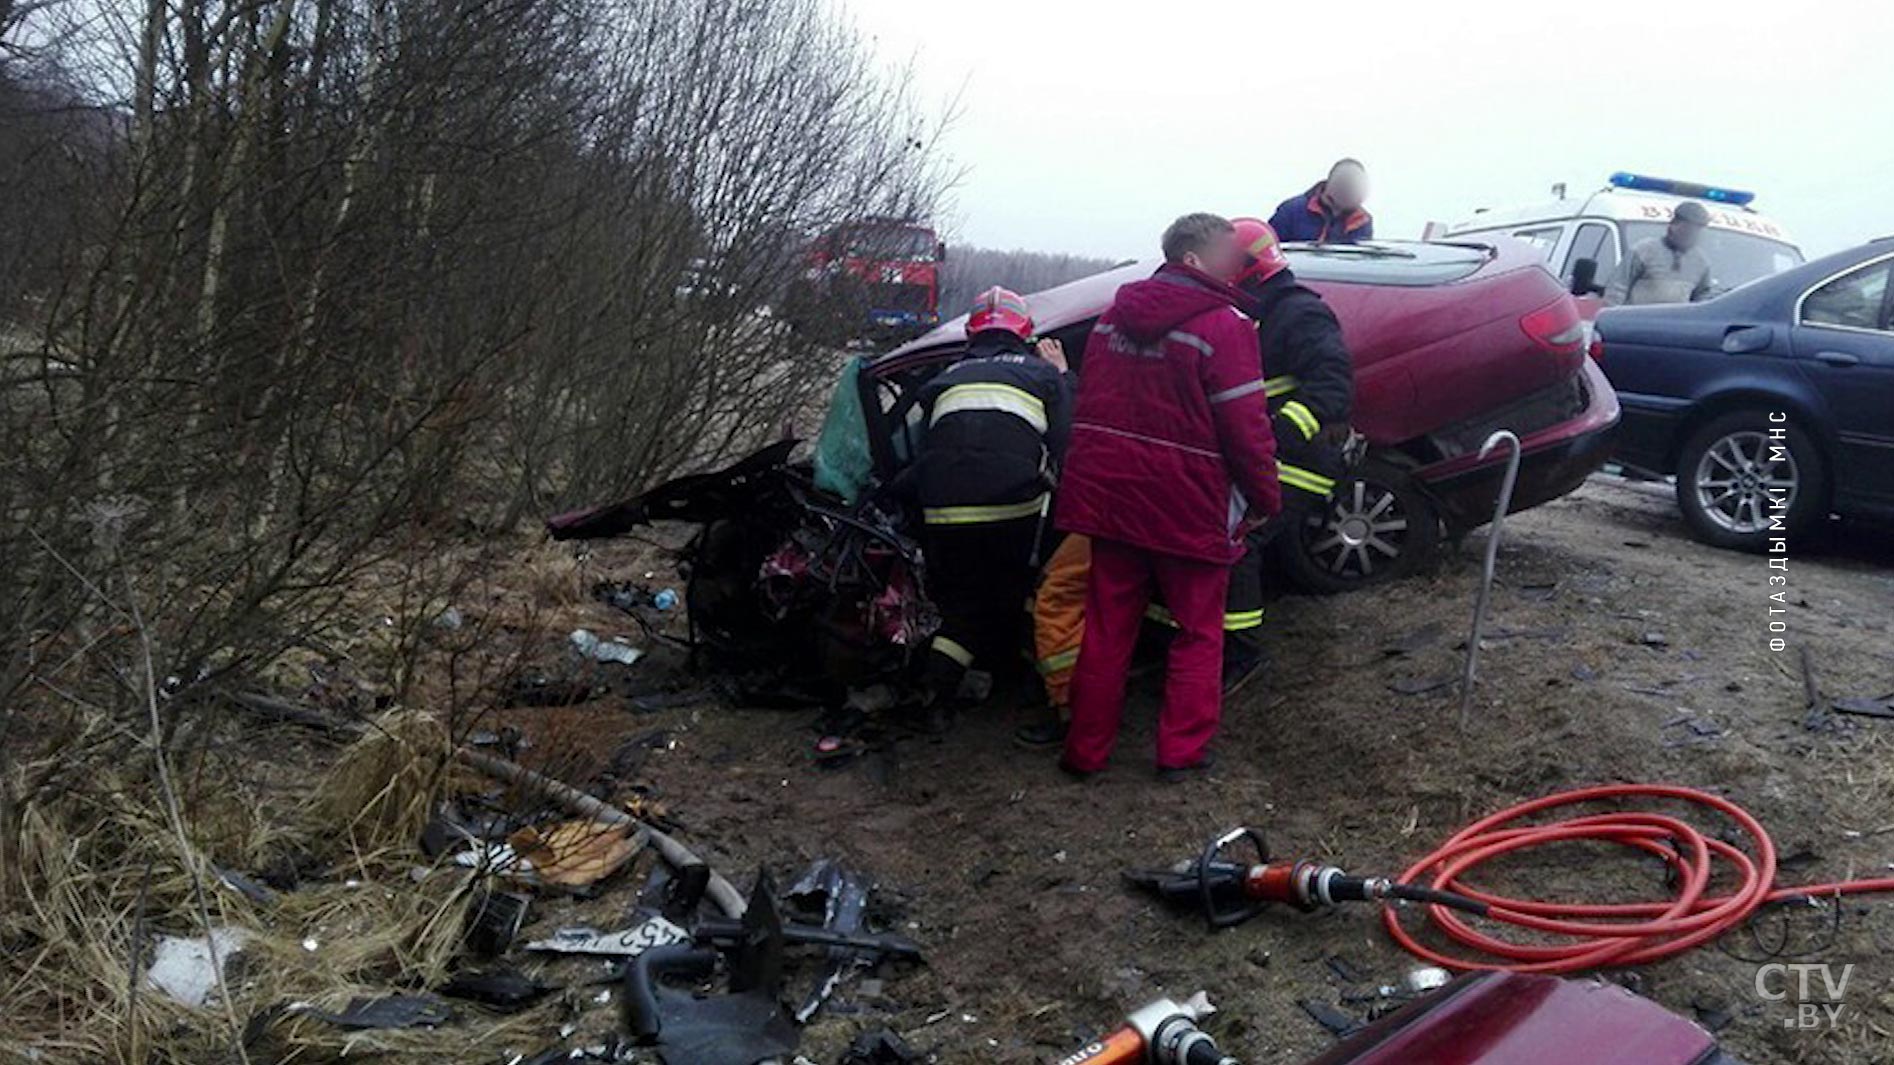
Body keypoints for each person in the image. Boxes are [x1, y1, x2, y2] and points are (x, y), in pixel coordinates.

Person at [1055, 213, 1281, 781]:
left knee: (1107, 629)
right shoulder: (1226, 327)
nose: (1239, 265)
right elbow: (1246, 428)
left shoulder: (1110, 321)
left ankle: (1085, 752)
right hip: (1190, 507)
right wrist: (1264, 499)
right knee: (1199, 633)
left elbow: (1090, 410)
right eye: (1228, 254)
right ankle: (1180, 755)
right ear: (1193, 259)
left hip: (1114, 504)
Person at [914, 286, 1071, 709]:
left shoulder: (942, 379)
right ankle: (1019, 686)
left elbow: (921, 450)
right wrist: (1062, 375)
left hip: (942, 514)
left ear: (971, 333)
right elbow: (1069, 443)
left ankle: (933, 690)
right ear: (1025, 332)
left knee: (965, 605)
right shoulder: (1041, 376)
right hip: (1012, 509)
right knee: (1016, 591)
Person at [1218, 216, 1356, 688]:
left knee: (1238, 542)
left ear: (1246, 267)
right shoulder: (1259, 311)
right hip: (1265, 456)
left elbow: (1333, 385)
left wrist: (1276, 433)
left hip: (1300, 462)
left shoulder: (1299, 313)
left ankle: (1240, 656)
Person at [1604, 201, 1714, 306]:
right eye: (1687, 229)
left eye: (1696, 230)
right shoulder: (1643, 251)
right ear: (1673, 225)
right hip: (1636, 323)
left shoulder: (1701, 262)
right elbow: (1616, 290)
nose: (1691, 234)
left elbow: (1702, 299)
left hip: (1674, 325)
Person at [1269, 159, 1373, 244]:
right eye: (1343, 184)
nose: (1347, 190)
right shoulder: (1290, 211)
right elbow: (1265, 253)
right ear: (1329, 184)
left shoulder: (1363, 220)